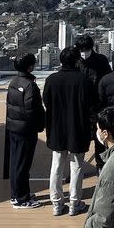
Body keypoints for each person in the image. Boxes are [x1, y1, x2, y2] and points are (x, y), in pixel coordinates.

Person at [43, 46, 94, 217]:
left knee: (56, 165)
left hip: (57, 128)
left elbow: (47, 102)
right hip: (78, 128)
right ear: (77, 61)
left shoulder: (51, 80)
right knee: (77, 166)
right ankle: (75, 202)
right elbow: (91, 106)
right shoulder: (84, 80)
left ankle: (56, 203)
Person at [5, 53, 46, 209]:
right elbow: (32, 111)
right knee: (23, 165)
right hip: (26, 130)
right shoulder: (30, 86)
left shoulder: (13, 82)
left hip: (14, 128)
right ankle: (21, 198)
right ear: (30, 66)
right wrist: (40, 125)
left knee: (16, 163)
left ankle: (17, 194)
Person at [76, 34, 111, 168]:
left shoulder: (101, 61)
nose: (84, 53)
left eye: (86, 50)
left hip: (98, 107)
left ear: (91, 48)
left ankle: (100, 166)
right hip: (81, 109)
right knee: (80, 141)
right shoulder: (75, 61)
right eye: (81, 50)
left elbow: (107, 80)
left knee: (100, 140)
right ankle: (77, 167)